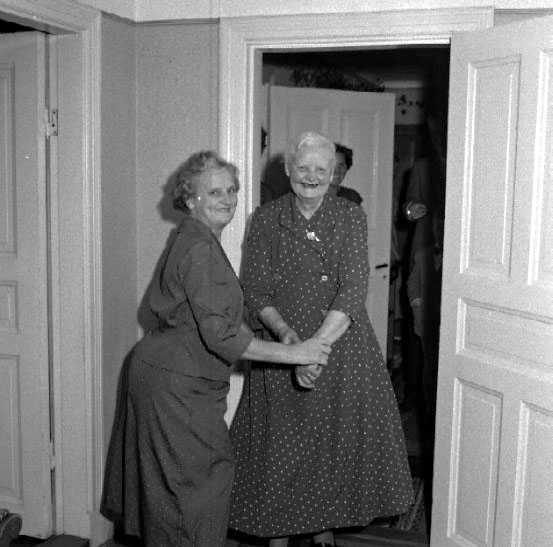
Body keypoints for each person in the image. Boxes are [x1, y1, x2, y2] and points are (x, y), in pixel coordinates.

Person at [99, 151, 331, 547]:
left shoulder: (196, 238)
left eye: (231, 190)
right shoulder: (200, 249)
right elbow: (222, 336)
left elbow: (211, 314)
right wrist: (298, 354)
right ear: (191, 199)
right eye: (214, 192)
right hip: (176, 386)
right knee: (197, 492)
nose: (227, 199)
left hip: (167, 376)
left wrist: (282, 337)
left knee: (178, 494)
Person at [229, 132, 413, 547]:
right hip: (281, 345)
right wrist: (288, 339)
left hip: (339, 342)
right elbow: (255, 289)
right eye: (303, 167)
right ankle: (276, 532)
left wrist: (315, 350)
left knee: (330, 443)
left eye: (321, 169)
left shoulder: (349, 215)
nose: (311, 176)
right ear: (287, 170)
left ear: (333, 175)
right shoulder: (267, 217)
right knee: (281, 446)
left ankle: (322, 529)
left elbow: (353, 289)